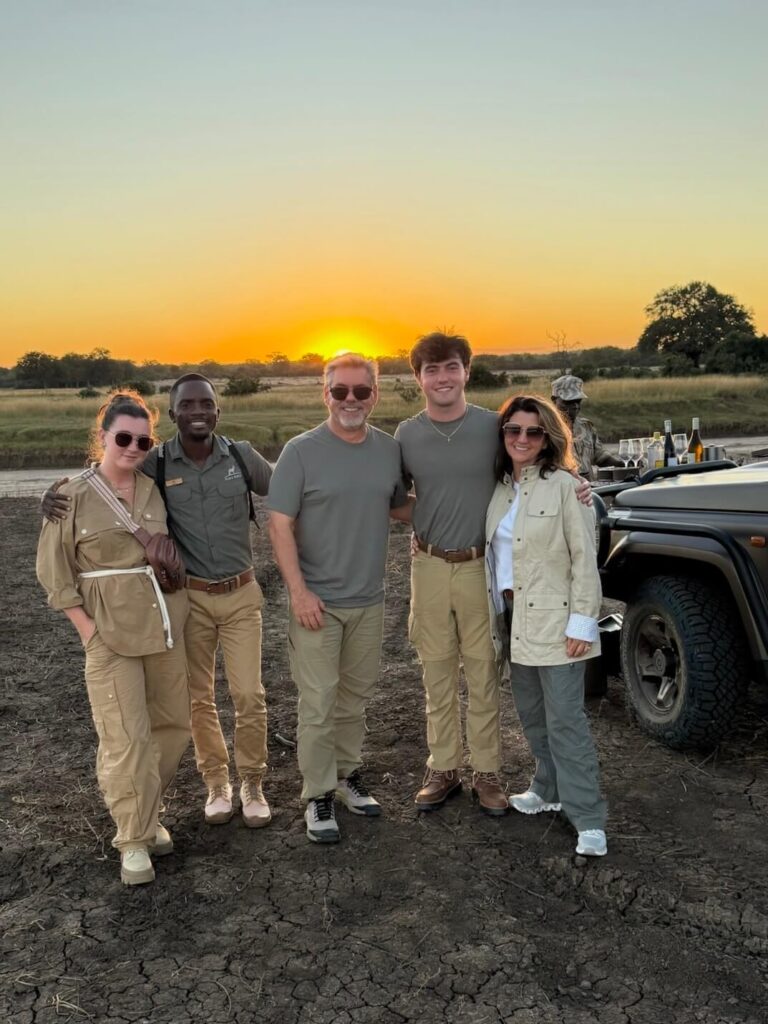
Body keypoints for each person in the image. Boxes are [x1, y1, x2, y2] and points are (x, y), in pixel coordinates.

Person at [42, 374, 274, 829]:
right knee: (198, 698)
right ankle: (217, 784)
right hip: (189, 599)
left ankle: (253, 783)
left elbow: (291, 489)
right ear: (174, 415)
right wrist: (54, 494)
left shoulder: (242, 457)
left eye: (206, 404)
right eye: (188, 405)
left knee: (249, 693)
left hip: (242, 594)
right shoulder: (158, 463)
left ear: (217, 410)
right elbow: (106, 478)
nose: (199, 412)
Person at [395, 333, 593, 817]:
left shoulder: (493, 427)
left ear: (466, 370)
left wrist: (576, 483)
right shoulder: (406, 434)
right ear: (418, 377)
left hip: (481, 568)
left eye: (451, 368)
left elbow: (533, 467)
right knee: (437, 673)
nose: (442, 378)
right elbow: (396, 500)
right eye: (431, 369)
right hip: (429, 566)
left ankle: (486, 773)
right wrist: (425, 523)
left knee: (483, 673)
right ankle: (443, 768)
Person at [36, 391, 191, 885]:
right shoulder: (71, 494)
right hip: (108, 634)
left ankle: (147, 814)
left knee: (173, 726)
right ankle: (132, 839)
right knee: (125, 737)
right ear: (102, 437)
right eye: (122, 437)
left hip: (163, 626)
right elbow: (54, 573)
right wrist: (90, 633)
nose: (132, 447)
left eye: (143, 439)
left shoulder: (153, 488)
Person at [267, 353, 410, 843]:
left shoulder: (389, 451)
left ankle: (348, 777)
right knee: (318, 701)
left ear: (375, 394)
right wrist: (299, 592)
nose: (351, 400)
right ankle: (318, 795)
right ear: (324, 393)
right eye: (340, 391)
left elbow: (401, 508)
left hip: (368, 599)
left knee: (354, 699)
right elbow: (279, 524)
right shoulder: (301, 452)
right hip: (317, 604)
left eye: (361, 391)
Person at [485, 393, 608, 856]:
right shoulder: (498, 487)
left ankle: (588, 815)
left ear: (548, 437)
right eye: (513, 429)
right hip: (513, 619)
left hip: (558, 622)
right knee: (533, 715)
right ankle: (547, 786)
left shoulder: (564, 486)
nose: (522, 438)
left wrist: (582, 623)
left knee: (566, 721)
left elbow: (584, 559)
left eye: (532, 431)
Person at [550, 375, 623, 479]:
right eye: (568, 402)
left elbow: (601, 457)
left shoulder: (586, 427)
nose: (575, 406)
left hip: (588, 490)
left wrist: (624, 464)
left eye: (578, 401)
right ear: (554, 401)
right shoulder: (545, 430)